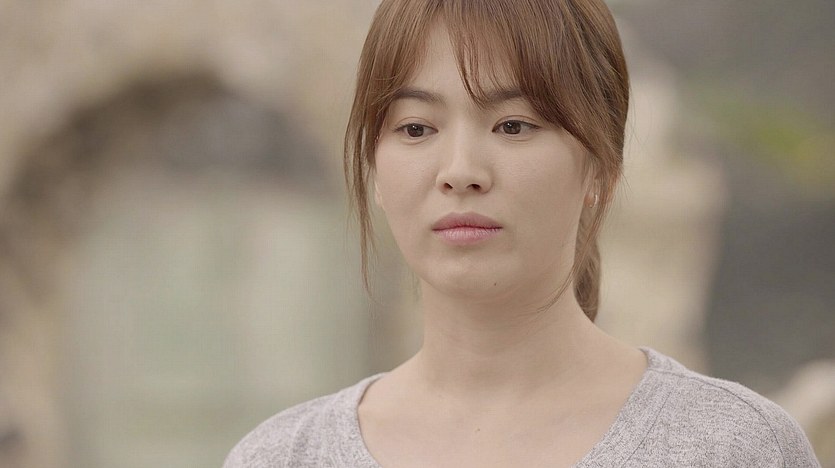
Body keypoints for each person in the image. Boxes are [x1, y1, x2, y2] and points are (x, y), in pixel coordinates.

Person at [224, 0, 820, 466]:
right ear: (375, 170)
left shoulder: (733, 446)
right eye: (416, 128)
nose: (460, 171)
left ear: (601, 167)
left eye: (513, 125)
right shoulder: (283, 456)